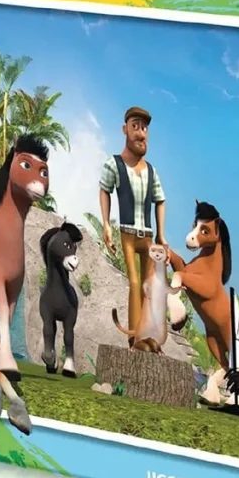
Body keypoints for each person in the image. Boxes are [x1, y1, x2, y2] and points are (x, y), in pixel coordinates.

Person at [99, 107, 168, 332]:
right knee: (135, 282)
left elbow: (160, 200)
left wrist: (161, 234)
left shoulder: (151, 171)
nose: (140, 133)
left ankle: (146, 335)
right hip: (128, 234)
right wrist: (106, 224)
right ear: (125, 129)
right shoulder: (114, 164)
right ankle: (133, 337)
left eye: (144, 128)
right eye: (135, 126)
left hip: (147, 235)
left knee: (148, 286)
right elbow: (105, 190)